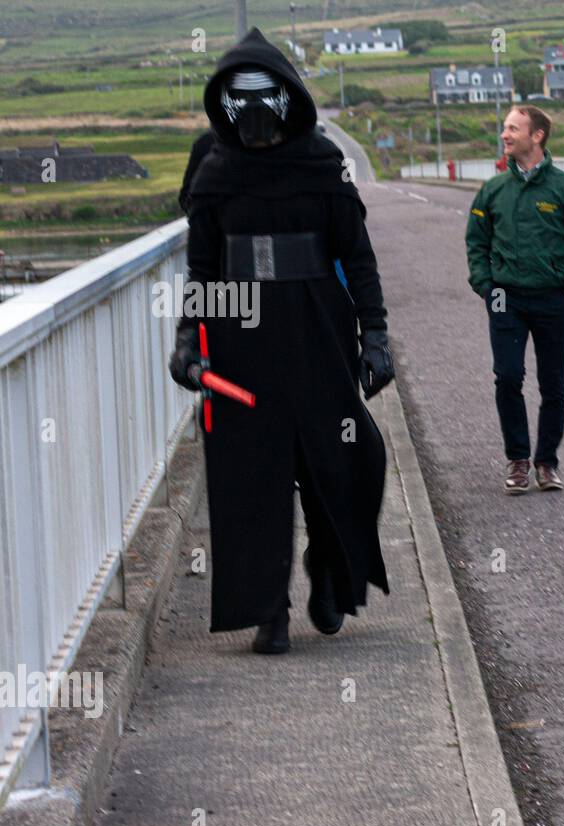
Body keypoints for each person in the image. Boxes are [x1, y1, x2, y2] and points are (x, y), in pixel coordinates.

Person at [167, 28, 394, 654]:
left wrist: (375, 335)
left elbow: (359, 254)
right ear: (225, 105)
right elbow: (205, 269)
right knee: (249, 471)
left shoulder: (321, 165)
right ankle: (267, 608)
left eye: (266, 98)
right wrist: (190, 336)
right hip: (241, 341)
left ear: (288, 97)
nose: (257, 114)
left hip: (320, 329)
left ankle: (329, 567)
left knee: (345, 458)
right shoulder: (215, 173)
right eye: (244, 101)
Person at [465, 105, 564, 494]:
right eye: (505, 128)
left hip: (552, 300)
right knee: (507, 376)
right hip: (504, 299)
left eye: (513, 128)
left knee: (553, 385)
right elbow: (476, 241)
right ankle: (518, 460)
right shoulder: (493, 189)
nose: (505, 135)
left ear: (536, 135)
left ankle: (546, 462)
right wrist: (485, 285)